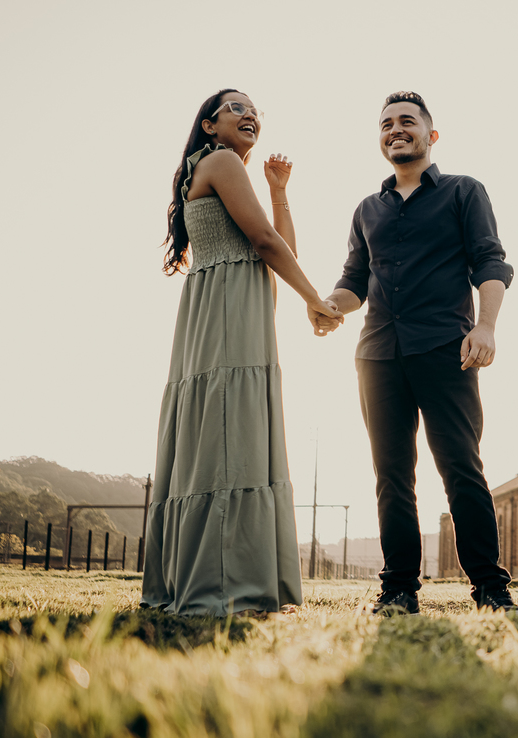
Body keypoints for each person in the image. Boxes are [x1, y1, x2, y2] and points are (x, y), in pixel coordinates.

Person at [317, 91, 518, 615]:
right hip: (377, 355)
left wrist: (487, 327)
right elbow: (353, 283)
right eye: (386, 123)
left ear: (432, 135)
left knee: (461, 467)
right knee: (391, 474)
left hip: (445, 351)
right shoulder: (367, 209)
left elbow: (491, 263)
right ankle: (398, 588)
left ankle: (491, 590)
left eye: (407, 121)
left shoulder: (463, 191)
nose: (395, 129)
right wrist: (329, 306)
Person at [142, 89, 341, 615]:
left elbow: (281, 244)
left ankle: (211, 574)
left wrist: (279, 189)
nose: (250, 113)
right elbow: (266, 245)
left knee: (223, 433)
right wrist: (314, 299)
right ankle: (225, 584)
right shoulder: (222, 160)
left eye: (256, 109)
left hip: (223, 310)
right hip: (230, 310)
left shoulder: (217, 167)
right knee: (233, 433)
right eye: (236, 107)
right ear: (209, 125)